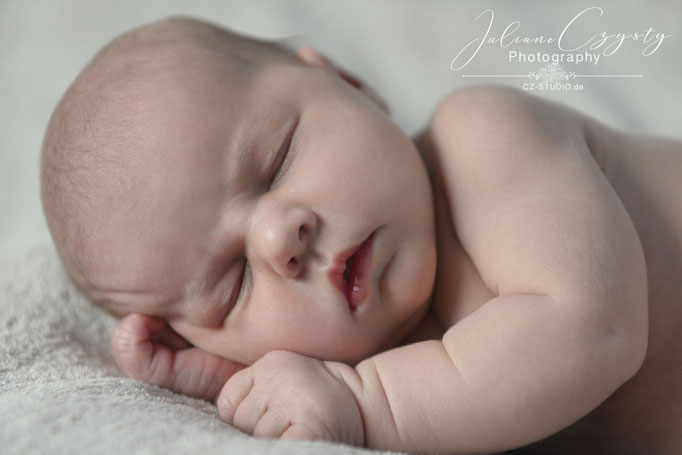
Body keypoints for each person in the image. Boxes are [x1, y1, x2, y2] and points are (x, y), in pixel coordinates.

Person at [40, 16, 682, 455]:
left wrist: (364, 403)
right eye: (233, 286)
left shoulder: (485, 140)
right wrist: (241, 386)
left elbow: (595, 326)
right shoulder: (398, 355)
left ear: (350, 84)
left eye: (277, 160)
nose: (278, 241)